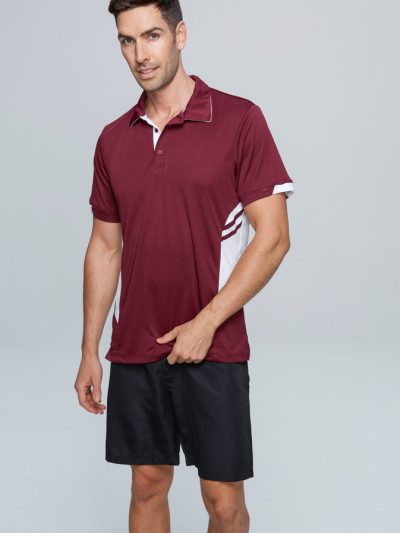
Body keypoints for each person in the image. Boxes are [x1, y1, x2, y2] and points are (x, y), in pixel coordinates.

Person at [74, 1, 294, 531]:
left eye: (152, 36)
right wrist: (89, 350)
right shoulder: (113, 139)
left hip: (214, 344)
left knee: (223, 501)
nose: (140, 54)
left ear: (180, 35)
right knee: (147, 485)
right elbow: (104, 246)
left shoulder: (239, 120)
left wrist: (206, 323)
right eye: (127, 40)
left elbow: (274, 238)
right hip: (136, 345)